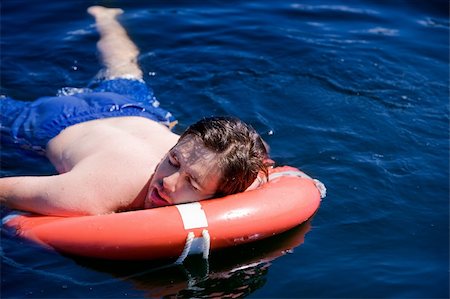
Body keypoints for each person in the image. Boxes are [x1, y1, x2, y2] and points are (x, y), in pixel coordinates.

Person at [0, 6, 271, 217]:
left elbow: (255, 153)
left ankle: (106, 18)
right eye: (173, 161)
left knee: (124, 67)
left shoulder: (234, 166)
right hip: (56, 120)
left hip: (132, 107)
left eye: (193, 182)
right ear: (177, 143)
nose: (168, 182)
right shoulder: (93, 193)